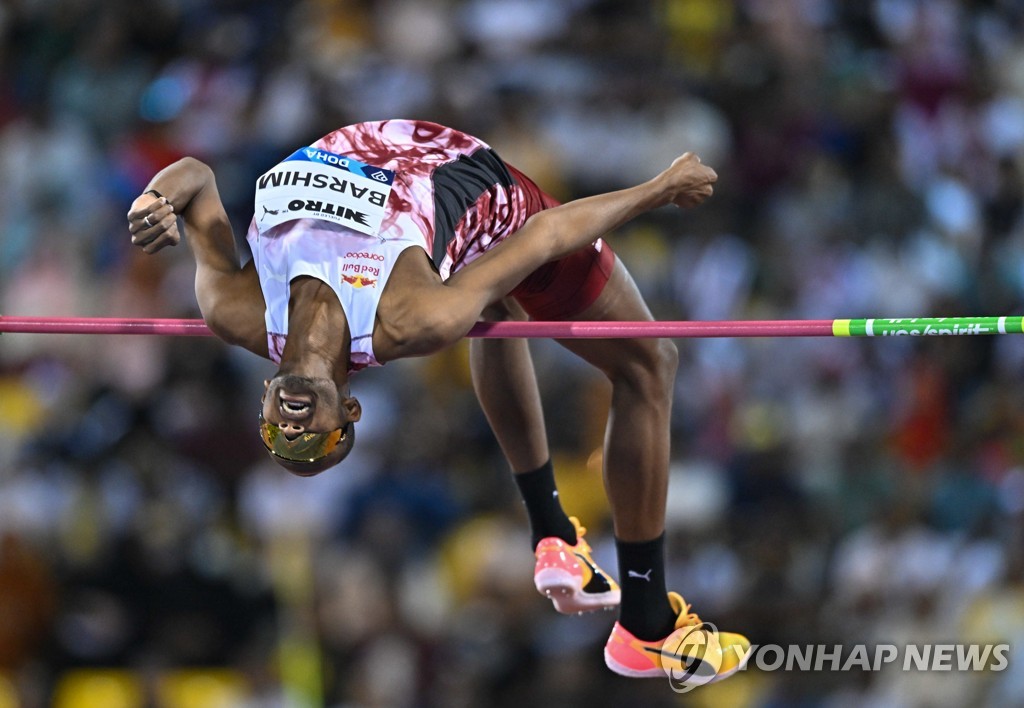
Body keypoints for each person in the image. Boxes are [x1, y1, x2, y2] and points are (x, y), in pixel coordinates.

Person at [127, 119, 750, 683]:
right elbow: (544, 234)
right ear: (349, 409)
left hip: (375, 143)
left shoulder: (234, 311)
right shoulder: (411, 319)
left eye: (280, 436)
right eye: (312, 439)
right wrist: (657, 189)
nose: (292, 427)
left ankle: (553, 536)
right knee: (649, 362)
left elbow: (197, 179)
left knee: (491, 304)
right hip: (481, 186)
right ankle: (645, 624)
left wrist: (155, 200)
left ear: (263, 395)